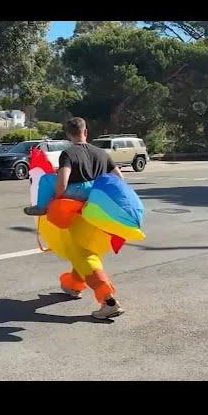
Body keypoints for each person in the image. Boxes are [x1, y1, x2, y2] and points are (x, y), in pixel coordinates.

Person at [24, 117, 126, 319]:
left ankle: (108, 300)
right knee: (82, 250)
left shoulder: (68, 153)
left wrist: (55, 203)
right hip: (97, 211)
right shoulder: (101, 153)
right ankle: (73, 284)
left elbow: (62, 183)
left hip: (77, 213)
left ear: (68, 134)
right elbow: (119, 179)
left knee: (82, 253)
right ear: (85, 132)